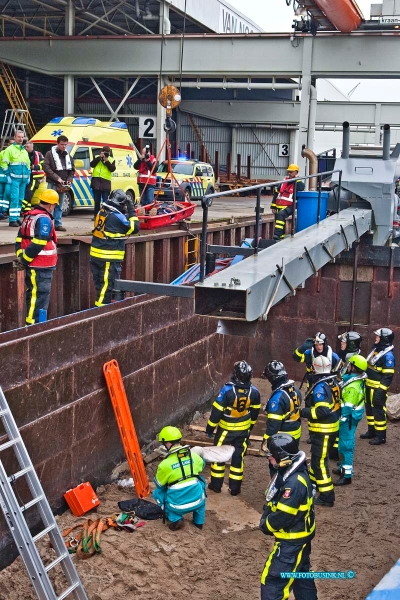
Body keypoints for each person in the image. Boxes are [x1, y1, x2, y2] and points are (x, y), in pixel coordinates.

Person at [260, 433, 317, 600]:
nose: (269, 458)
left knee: (273, 582)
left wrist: (266, 525)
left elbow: (284, 515)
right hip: (300, 540)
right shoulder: (293, 472)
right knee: (301, 578)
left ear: (283, 457)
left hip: (291, 543)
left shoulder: (294, 483)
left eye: (272, 455)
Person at [206, 360, 261, 496]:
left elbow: (216, 413)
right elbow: (254, 414)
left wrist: (210, 428)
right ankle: (235, 489)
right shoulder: (254, 392)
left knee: (218, 456)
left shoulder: (227, 390)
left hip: (225, 430)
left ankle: (216, 486)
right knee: (238, 458)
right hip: (243, 431)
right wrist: (249, 428)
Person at [15, 189, 59, 325]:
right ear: (51, 205)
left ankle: (33, 323)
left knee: (34, 294)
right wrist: (24, 260)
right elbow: (39, 242)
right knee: (39, 296)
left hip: (35, 264)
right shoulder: (44, 219)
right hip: (40, 265)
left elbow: (19, 240)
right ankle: (33, 325)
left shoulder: (29, 217)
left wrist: (21, 258)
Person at [300, 355, 340, 507]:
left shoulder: (320, 387)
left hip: (324, 430)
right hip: (331, 429)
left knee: (319, 462)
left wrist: (304, 412)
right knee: (319, 458)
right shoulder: (333, 381)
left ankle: (327, 496)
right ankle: (312, 485)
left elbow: (322, 411)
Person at [90, 188, 139, 307]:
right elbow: (135, 227)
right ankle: (101, 313)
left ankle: (99, 309)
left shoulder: (102, 212)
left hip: (97, 256)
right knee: (106, 289)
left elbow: (116, 221)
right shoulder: (116, 217)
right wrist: (132, 210)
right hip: (108, 258)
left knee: (100, 287)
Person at [153, 426, 207, 531]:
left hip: (177, 506)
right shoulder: (194, 456)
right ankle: (199, 523)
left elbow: (159, 485)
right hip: (198, 501)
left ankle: (175, 518)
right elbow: (202, 465)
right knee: (200, 482)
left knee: (157, 493)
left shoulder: (164, 464)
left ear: (168, 443)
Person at [333, 354, 367, 486]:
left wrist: (340, 420)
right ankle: (342, 466)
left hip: (348, 420)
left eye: (350, 365)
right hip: (349, 419)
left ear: (354, 368)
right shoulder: (353, 380)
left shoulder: (352, 387)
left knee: (346, 446)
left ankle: (347, 476)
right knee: (343, 444)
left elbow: (347, 407)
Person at [261, 361, 302, 464]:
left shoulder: (277, 398)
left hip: (282, 440)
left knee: (278, 466)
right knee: (291, 462)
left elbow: (273, 425)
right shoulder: (295, 390)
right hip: (295, 435)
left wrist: (265, 443)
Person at [361, 328, 395, 445]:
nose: (376, 338)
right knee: (369, 411)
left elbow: (388, 376)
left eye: (378, 337)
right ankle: (372, 431)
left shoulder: (388, 356)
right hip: (369, 386)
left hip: (377, 389)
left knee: (379, 411)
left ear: (384, 339)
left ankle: (381, 436)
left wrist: (381, 391)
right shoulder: (376, 350)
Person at [43, 134, 75, 232]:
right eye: (62, 144)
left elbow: (72, 170)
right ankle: (49, 224)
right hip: (52, 183)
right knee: (50, 205)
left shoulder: (68, 155)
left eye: (65, 145)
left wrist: (69, 179)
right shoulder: (49, 154)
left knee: (59, 205)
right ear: (57, 144)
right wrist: (57, 178)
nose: (64, 146)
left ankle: (58, 224)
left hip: (62, 184)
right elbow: (46, 168)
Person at [0, 130, 30, 227]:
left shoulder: (24, 150)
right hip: (14, 179)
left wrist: (28, 175)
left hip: (23, 180)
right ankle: (12, 219)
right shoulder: (9, 150)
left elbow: (27, 164)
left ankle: (16, 218)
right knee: (14, 199)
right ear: (15, 137)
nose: (21, 139)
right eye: (19, 137)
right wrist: (8, 175)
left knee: (20, 199)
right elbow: (4, 163)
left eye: (22, 137)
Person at [271, 164, 305, 240]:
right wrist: (273, 206)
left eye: (291, 172)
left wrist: (297, 179)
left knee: (281, 215)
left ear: (296, 172)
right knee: (279, 221)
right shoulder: (284, 181)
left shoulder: (298, 182)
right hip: (279, 205)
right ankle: (281, 237)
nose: (289, 173)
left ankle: (276, 235)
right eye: (288, 172)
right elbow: (276, 193)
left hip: (290, 206)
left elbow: (301, 188)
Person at [89, 146, 116, 219]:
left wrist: (106, 160)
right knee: (97, 201)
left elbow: (112, 169)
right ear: (102, 152)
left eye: (107, 153)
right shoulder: (97, 157)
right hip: (96, 182)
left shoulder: (111, 160)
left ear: (109, 153)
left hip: (105, 183)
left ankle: (105, 216)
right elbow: (92, 164)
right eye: (104, 152)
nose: (105, 154)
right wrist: (99, 158)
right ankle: (96, 216)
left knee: (105, 201)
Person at [23, 140, 45, 214]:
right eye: (25, 146)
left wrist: (34, 167)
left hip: (35, 176)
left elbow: (43, 164)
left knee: (29, 191)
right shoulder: (24, 153)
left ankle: (22, 207)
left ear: (32, 147)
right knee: (27, 192)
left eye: (28, 147)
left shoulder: (38, 154)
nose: (26, 148)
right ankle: (27, 209)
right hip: (26, 176)